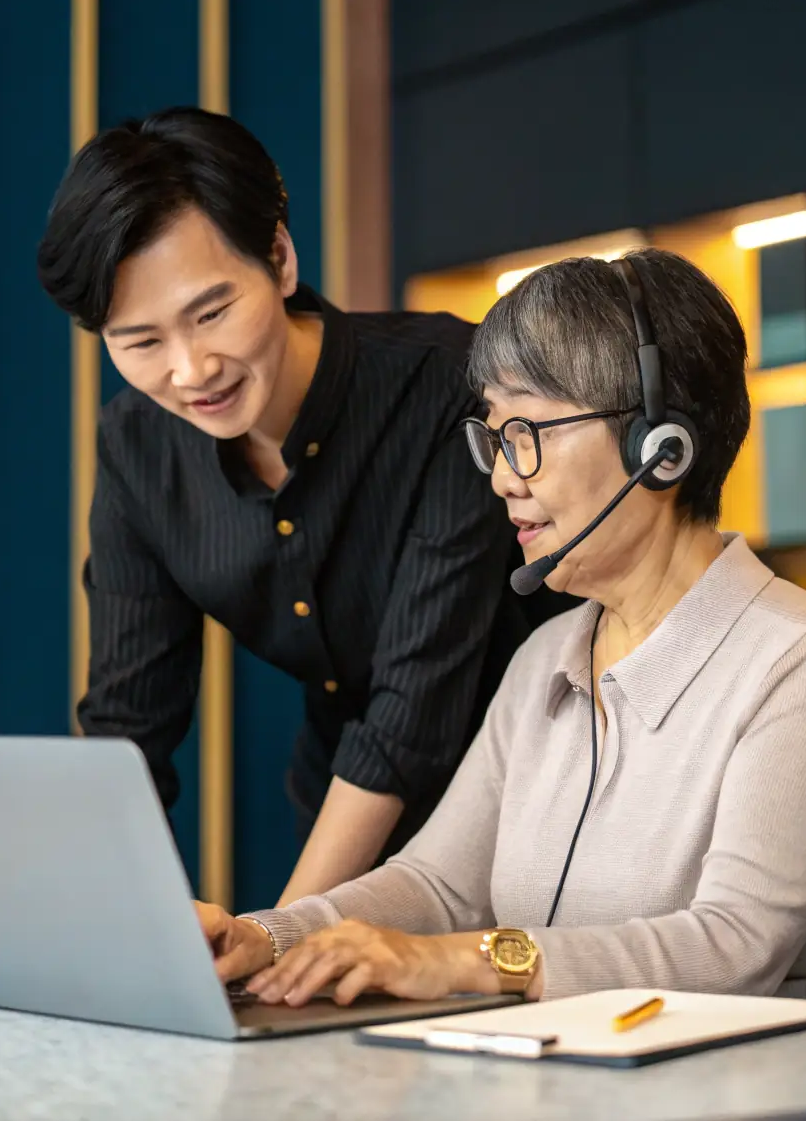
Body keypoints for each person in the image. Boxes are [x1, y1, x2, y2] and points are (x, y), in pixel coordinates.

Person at [196, 248, 806, 1016]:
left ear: (658, 448)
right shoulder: (546, 657)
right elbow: (439, 882)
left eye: (527, 430)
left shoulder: (799, 658)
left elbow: (733, 946)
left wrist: (467, 959)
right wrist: (268, 935)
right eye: (492, 436)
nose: (500, 476)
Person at [36, 106, 563, 905]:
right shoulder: (138, 449)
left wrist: (280, 933)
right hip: (339, 809)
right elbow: (128, 729)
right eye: (140, 341)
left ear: (278, 258)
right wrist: (92, 932)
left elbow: (410, 715)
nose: (189, 369)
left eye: (211, 313)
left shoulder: (444, 384)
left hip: (535, 798)